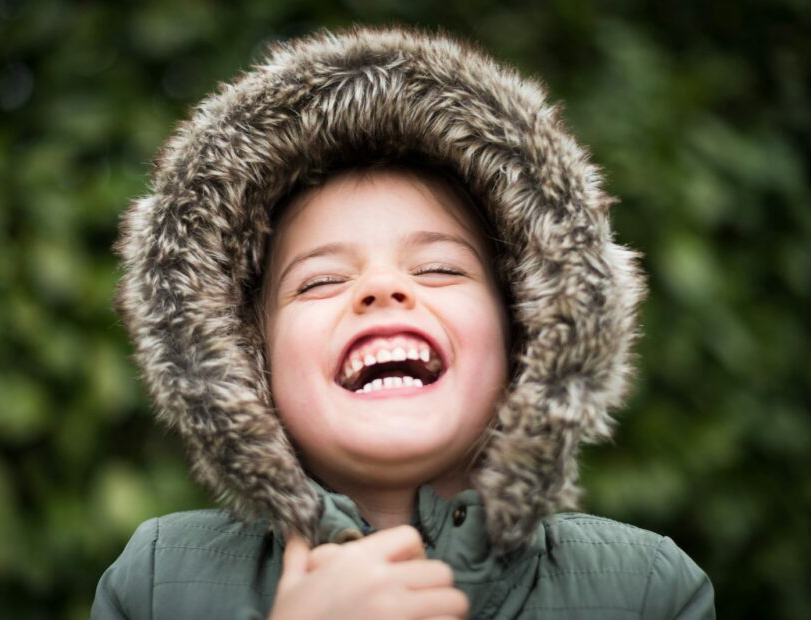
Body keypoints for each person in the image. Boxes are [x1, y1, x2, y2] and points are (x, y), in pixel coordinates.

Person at [92, 26, 715, 620]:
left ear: (526, 336)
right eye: (321, 280)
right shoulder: (152, 582)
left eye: (440, 269)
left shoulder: (646, 589)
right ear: (247, 358)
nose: (382, 288)